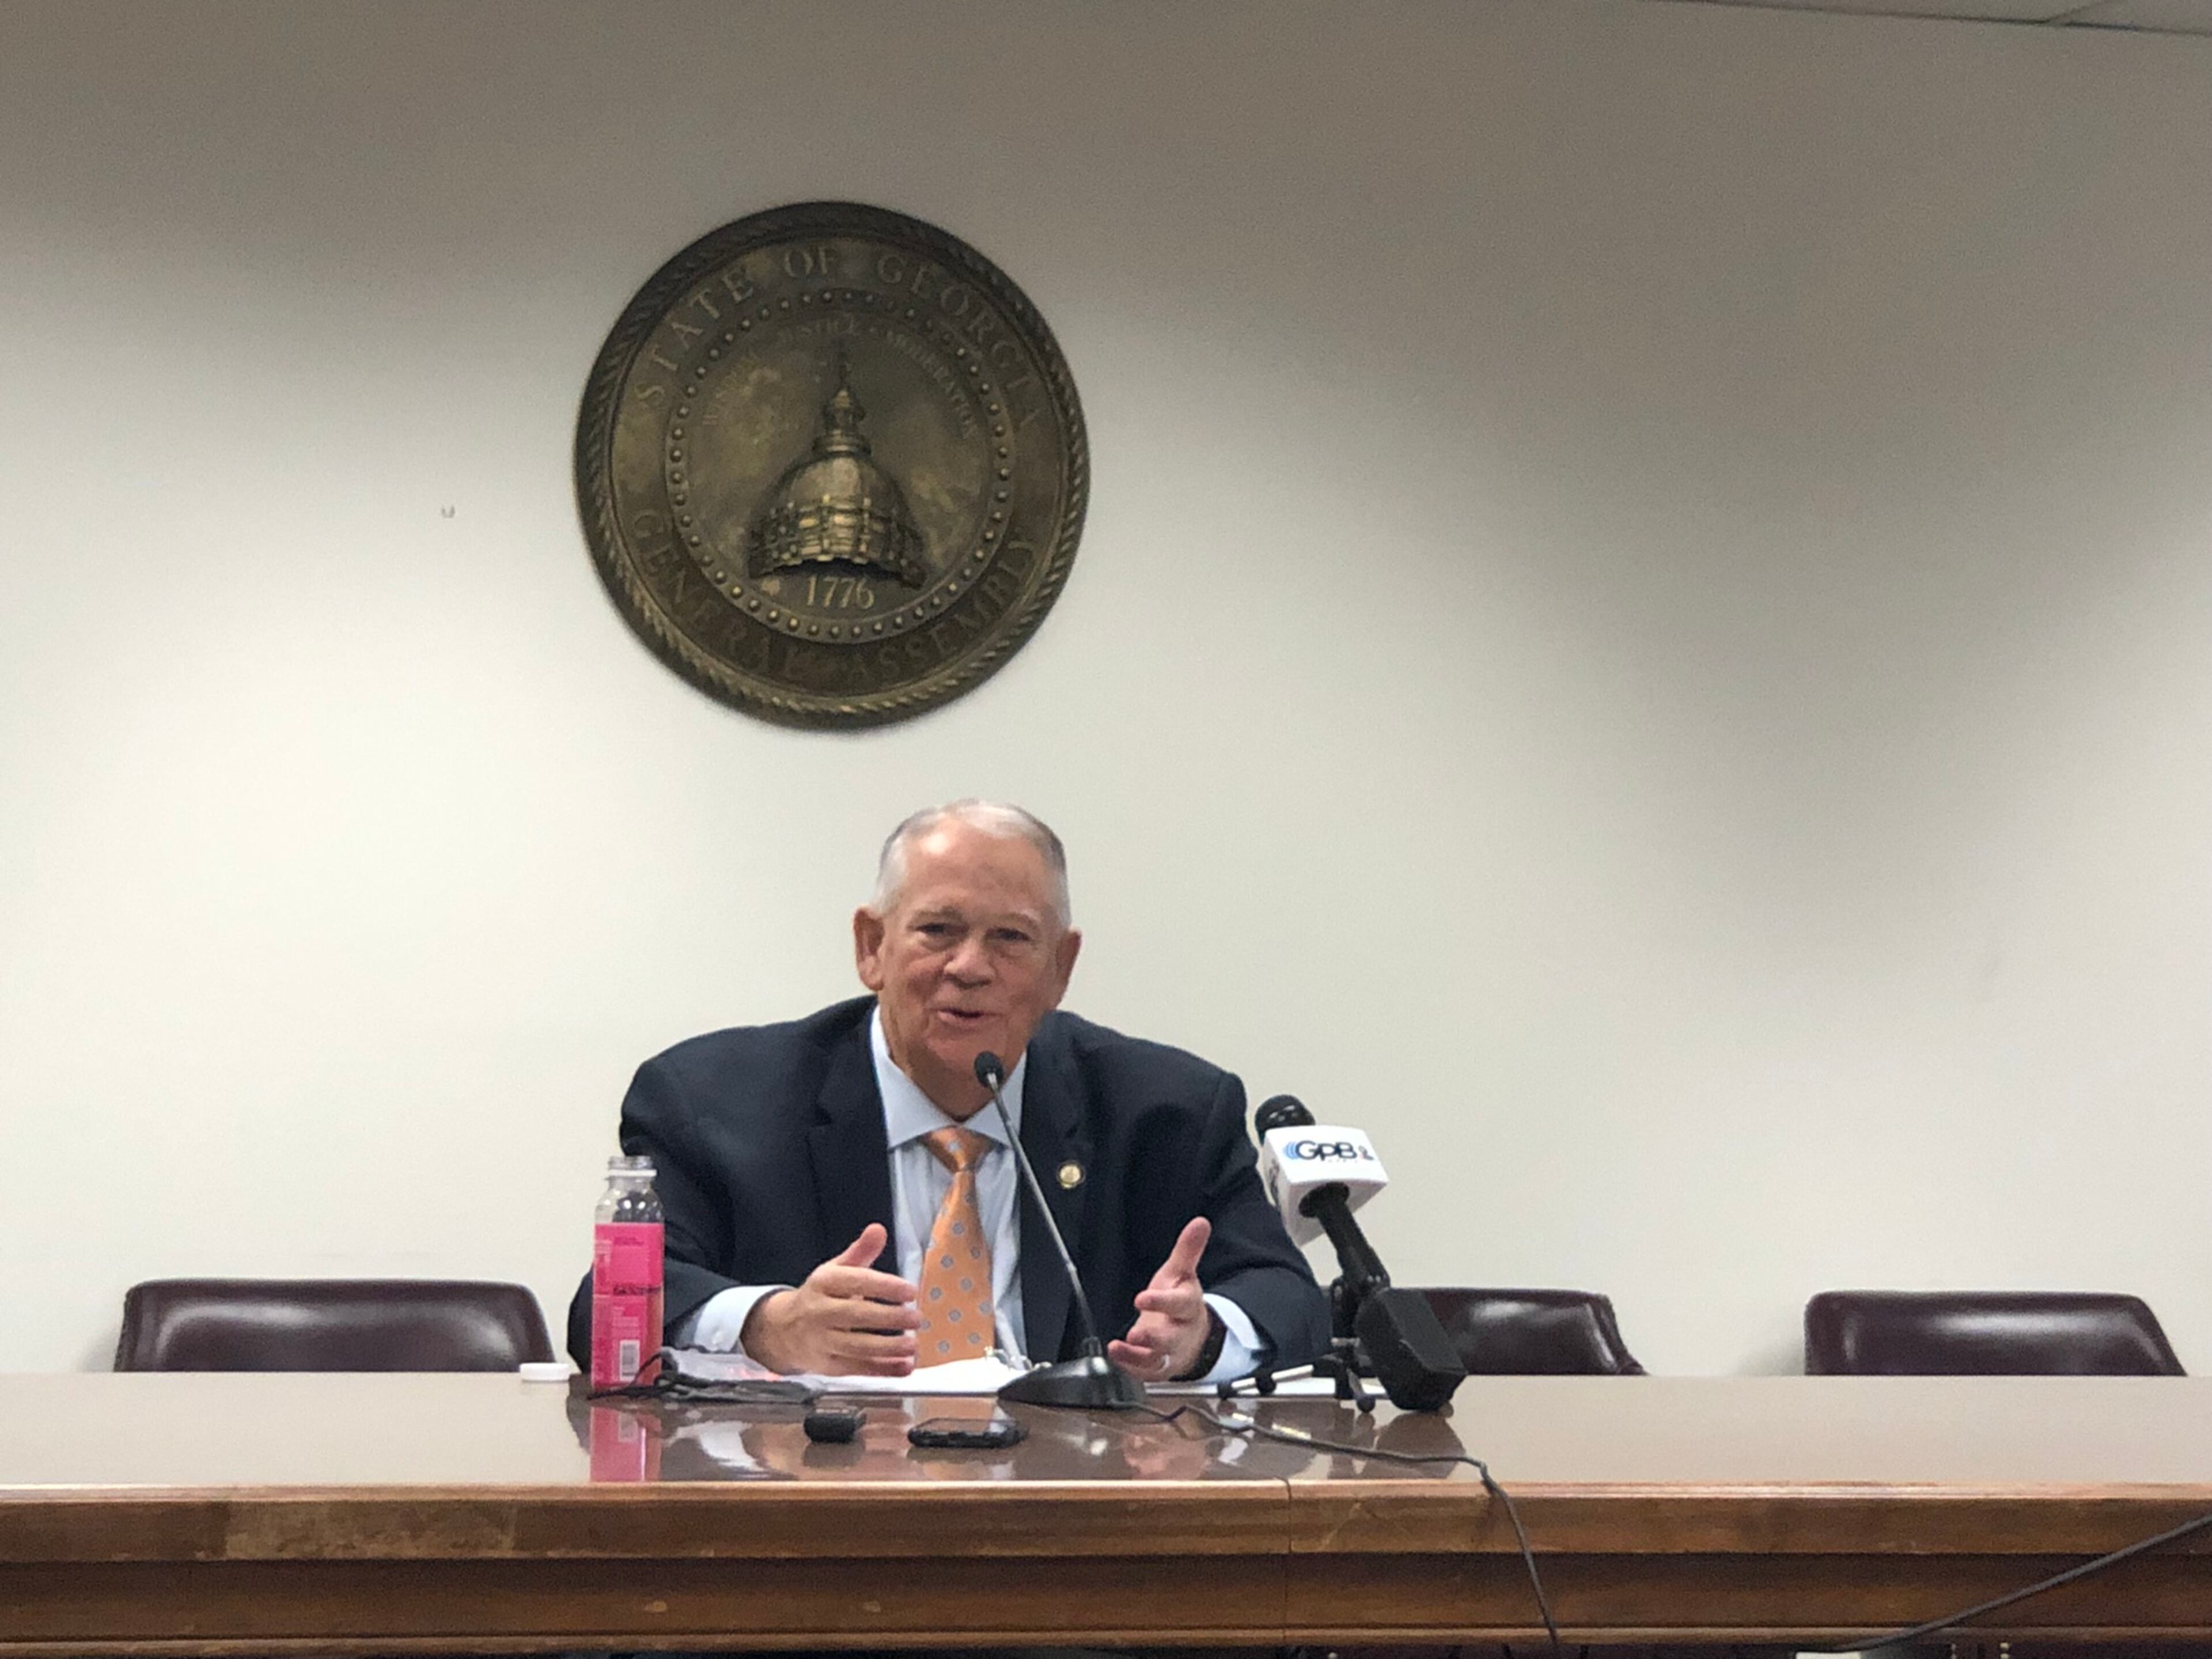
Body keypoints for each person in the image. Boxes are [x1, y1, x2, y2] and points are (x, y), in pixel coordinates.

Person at [565, 800, 1328, 1381]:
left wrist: (1204, 1339)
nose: (969, 967)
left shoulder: (1165, 1110)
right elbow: (611, 1300)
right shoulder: (713, 1100)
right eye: (938, 930)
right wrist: (772, 1322)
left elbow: (1287, 1297)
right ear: (872, 947)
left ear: (1060, 969)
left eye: (1010, 938)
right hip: (815, 1507)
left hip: (1077, 1509)